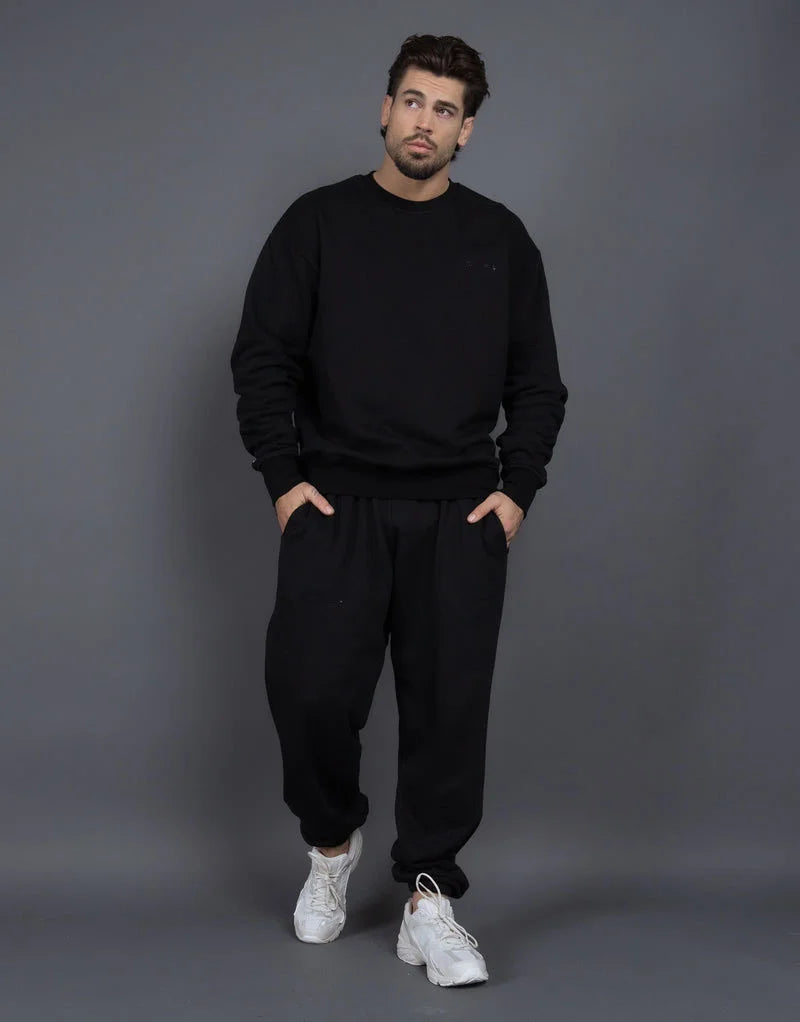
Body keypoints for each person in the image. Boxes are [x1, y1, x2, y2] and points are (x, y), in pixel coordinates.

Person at [229, 33, 568, 988]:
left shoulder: (500, 239)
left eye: (446, 110)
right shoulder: (318, 224)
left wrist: (516, 491)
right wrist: (283, 479)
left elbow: (538, 384)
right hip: (335, 505)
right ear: (385, 110)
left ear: (468, 131)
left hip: (460, 513)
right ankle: (331, 846)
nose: (426, 122)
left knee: (448, 715)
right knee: (310, 694)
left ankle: (429, 898)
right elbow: (262, 358)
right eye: (413, 101)